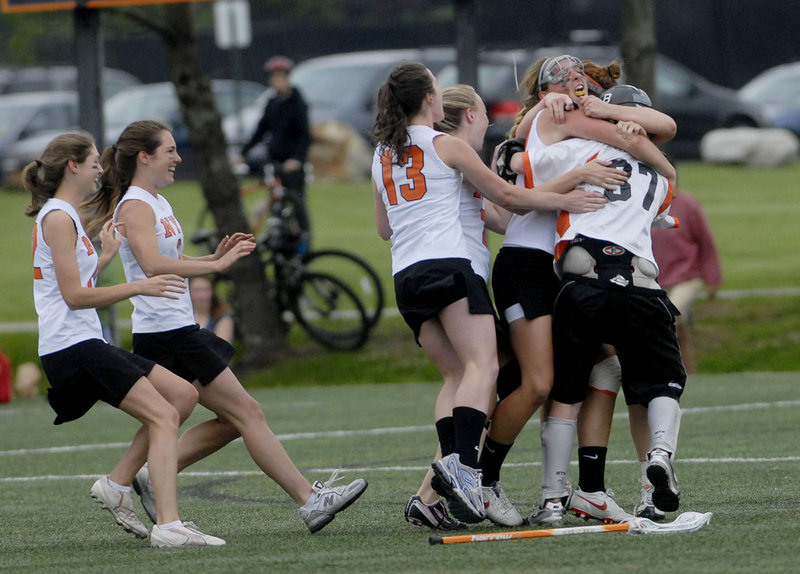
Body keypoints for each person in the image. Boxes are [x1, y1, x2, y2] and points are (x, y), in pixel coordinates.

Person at [89, 119, 368, 534]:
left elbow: (166, 261)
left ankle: (144, 475)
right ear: (144, 157)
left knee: (232, 422)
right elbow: (149, 263)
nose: (178, 157)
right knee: (247, 413)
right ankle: (310, 501)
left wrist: (210, 259)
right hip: (169, 333)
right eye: (169, 150)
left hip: (172, 330)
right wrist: (215, 265)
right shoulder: (135, 204)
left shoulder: (156, 201)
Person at [370, 62, 618, 524]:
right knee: (485, 368)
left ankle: (438, 486)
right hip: (450, 268)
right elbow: (510, 199)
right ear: (428, 99)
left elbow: (385, 227)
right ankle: (465, 467)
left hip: (406, 275)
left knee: (460, 376)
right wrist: (567, 196)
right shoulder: (447, 146)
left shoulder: (383, 153)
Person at [489, 55, 677, 526]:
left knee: (591, 374)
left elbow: (518, 164)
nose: (579, 88)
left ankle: (579, 490)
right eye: (569, 82)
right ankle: (483, 477)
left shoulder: (577, 133)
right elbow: (514, 172)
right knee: (536, 383)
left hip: (572, 269)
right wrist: (641, 148)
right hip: (539, 265)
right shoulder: (567, 121)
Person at [24, 131, 225, 548]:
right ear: (73, 165)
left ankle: (118, 485)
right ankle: (169, 526)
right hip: (71, 348)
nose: (102, 167)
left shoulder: (65, 214)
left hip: (82, 343)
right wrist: (138, 288)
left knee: (182, 397)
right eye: (95, 161)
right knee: (164, 416)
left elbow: (74, 281)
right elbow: (74, 296)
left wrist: (105, 257)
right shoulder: (59, 218)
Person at [239, 55, 312, 253]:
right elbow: (260, 129)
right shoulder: (272, 102)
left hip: (293, 167)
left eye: (280, 76)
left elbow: (304, 135)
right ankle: (281, 244)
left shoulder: (297, 102)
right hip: (275, 163)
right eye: (274, 77)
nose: (277, 81)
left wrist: (297, 160)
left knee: (297, 205)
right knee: (276, 205)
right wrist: (243, 153)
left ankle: (304, 249)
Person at [651, 189, 722, 374]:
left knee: (669, 318)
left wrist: (713, 277)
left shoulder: (687, 204)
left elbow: (705, 241)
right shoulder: (642, 200)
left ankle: (671, 374)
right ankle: (687, 375)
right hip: (653, 278)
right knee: (679, 332)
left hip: (686, 276)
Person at [190, 275, 235, 344]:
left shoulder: (221, 317)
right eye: (197, 290)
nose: (201, 295)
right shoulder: (182, 317)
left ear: (212, 292)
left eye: (205, 290)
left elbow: (220, 349)